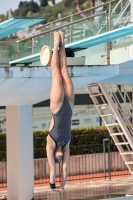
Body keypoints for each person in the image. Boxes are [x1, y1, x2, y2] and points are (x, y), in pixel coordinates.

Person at [46, 31, 74, 192]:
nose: (59, 160)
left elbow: (53, 169)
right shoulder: (66, 144)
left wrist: (53, 186)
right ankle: (63, 40)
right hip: (69, 106)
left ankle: (55, 45)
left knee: (56, 73)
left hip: (57, 108)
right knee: (65, 72)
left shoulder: (51, 144)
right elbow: (64, 169)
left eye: (57, 160)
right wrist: (62, 186)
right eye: (60, 160)